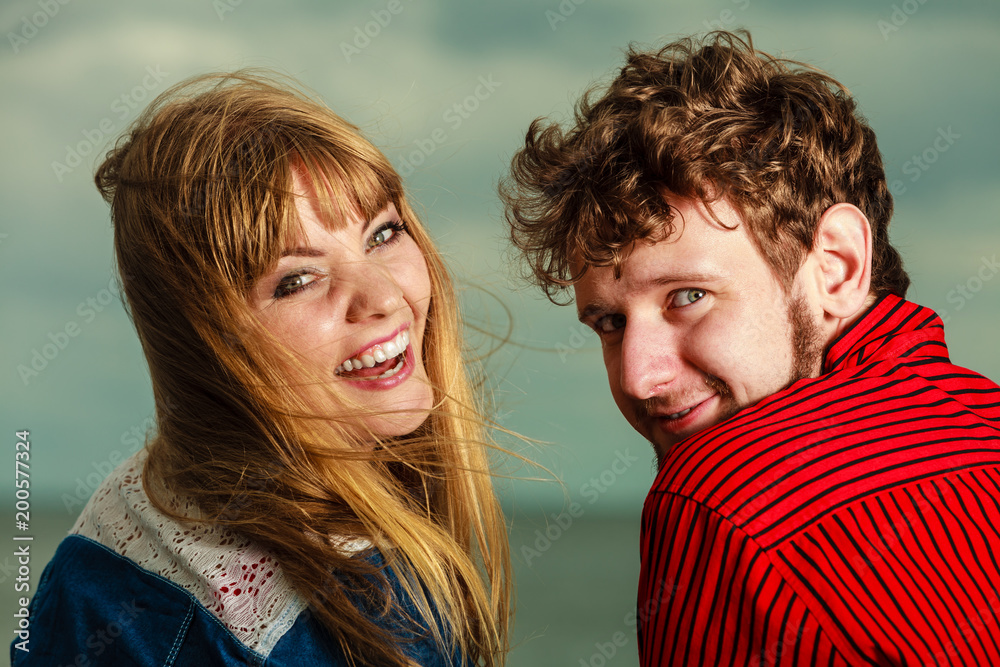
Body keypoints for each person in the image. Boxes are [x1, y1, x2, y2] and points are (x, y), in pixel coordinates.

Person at [501, 30, 1000, 666]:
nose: (638, 377)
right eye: (609, 324)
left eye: (687, 297)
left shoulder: (726, 494)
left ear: (838, 267)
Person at [16, 71, 510, 666]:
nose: (380, 295)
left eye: (382, 234)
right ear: (203, 342)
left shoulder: (99, 550)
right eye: (296, 280)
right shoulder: (364, 622)